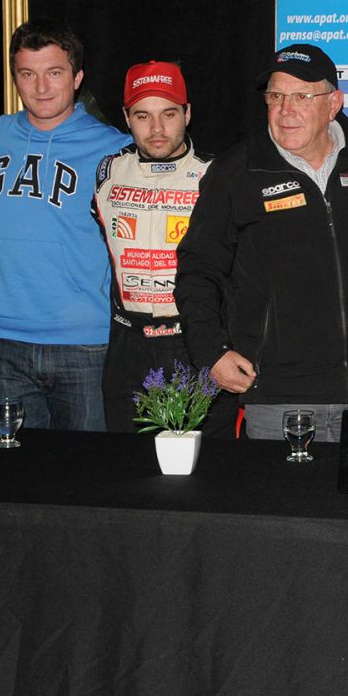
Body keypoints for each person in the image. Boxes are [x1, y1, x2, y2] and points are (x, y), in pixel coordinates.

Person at [175, 44, 348, 442]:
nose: (285, 110)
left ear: (333, 103)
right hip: (279, 396)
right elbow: (198, 268)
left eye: (301, 96)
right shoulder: (236, 172)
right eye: (276, 96)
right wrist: (211, 352)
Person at [0, 19, 131, 431]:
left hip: (82, 339)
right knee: (12, 466)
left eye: (54, 72)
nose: (41, 87)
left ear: (77, 78)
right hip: (1, 332)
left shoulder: (114, 147)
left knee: (83, 467)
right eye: (28, 74)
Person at [91, 60, 235, 435]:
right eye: (143, 116)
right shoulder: (108, 172)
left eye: (168, 114)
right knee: (125, 462)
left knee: (206, 462)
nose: (156, 129)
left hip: (193, 341)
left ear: (187, 114)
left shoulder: (217, 174)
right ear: (127, 118)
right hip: (128, 345)